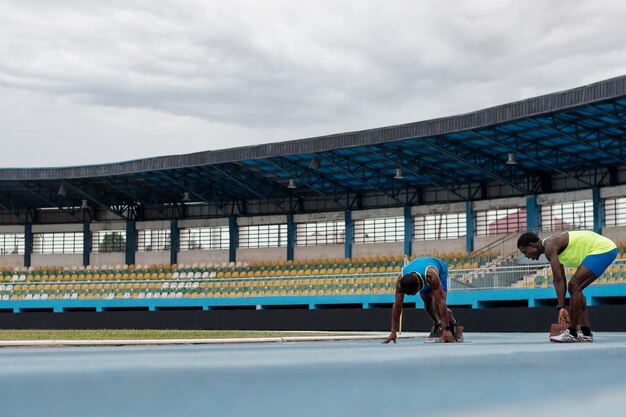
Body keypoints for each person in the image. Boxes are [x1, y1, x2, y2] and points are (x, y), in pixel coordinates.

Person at [517, 230, 617, 343]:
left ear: (532, 245)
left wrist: (561, 307)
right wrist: (562, 307)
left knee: (574, 286)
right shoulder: (552, 246)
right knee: (575, 288)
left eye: (525, 252)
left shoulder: (550, 246)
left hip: (603, 249)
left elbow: (557, 278)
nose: (526, 256)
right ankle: (586, 332)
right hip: (604, 249)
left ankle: (572, 333)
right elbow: (561, 278)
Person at [383, 256, 459, 344]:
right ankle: (437, 323)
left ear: (419, 285)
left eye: (415, 292)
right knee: (427, 303)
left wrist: (446, 329)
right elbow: (397, 306)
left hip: (440, 269)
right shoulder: (400, 281)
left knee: (437, 307)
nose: (415, 295)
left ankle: (453, 323)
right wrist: (393, 332)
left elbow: (441, 303)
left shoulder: (431, 276)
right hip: (419, 269)